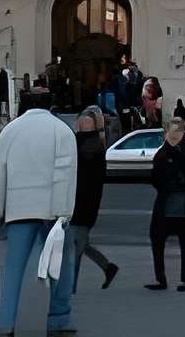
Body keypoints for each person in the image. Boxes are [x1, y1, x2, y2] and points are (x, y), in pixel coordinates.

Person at [0, 92, 78, 337]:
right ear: (51, 105)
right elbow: (67, 175)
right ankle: (58, 319)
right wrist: (64, 212)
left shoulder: (11, 131)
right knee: (60, 266)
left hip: (19, 207)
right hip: (53, 209)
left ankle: (5, 322)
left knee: (13, 269)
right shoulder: (62, 130)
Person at [146, 117, 185, 291]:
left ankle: (164, 279)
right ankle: (182, 280)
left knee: (160, 239)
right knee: (184, 242)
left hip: (170, 201)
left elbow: (156, 178)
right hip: (184, 202)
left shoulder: (167, 153)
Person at [68, 110, 119, 292]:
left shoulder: (89, 145)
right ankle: (107, 267)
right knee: (81, 244)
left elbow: (81, 172)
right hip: (83, 202)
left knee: (76, 247)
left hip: (83, 204)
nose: (80, 125)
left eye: (83, 123)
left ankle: (70, 286)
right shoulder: (88, 143)